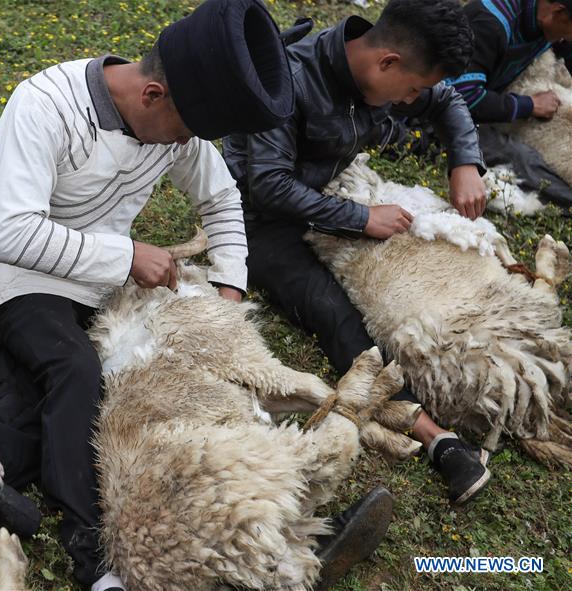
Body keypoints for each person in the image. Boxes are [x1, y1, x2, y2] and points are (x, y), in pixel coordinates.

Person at [0, 1, 388, 588]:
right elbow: (10, 233)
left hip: (101, 283)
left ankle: (260, 518)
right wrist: (127, 255)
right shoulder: (45, 105)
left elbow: (222, 200)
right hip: (17, 278)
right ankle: (95, 559)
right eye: (183, 133)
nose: (184, 146)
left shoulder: (177, 126)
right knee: (74, 376)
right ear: (152, 95)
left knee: (143, 394)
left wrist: (229, 289)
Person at [224, 0, 493, 507]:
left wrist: (466, 161)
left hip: (331, 190)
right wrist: (360, 218)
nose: (416, 98)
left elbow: (446, 99)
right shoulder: (289, 81)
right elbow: (264, 183)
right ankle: (439, 438)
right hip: (259, 222)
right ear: (386, 62)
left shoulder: (383, 70)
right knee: (333, 313)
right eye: (412, 90)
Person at [444, 0, 572, 206]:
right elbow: (463, 96)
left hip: (470, 103)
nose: (565, 39)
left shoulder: (546, 18)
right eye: (568, 32)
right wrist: (529, 105)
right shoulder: (491, 24)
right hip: (437, 113)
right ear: (558, 12)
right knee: (528, 163)